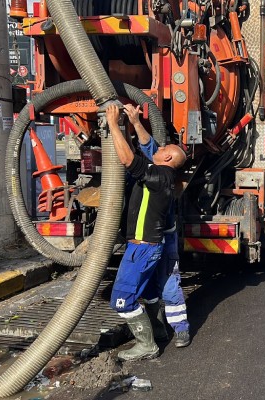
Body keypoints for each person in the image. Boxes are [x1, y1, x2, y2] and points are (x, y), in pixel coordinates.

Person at [106, 103, 187, 362]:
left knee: (121, 299)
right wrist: (134, 122)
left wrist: (112, 124)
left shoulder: (159, 176)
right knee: (151, 292)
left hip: (143, 248)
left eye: (163, 149)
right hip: (149, 246)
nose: (157, 148)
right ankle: (160, 330)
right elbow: (147, 148)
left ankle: (147, 345)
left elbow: (129, 159)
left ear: (168, 160)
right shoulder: (163, 173)